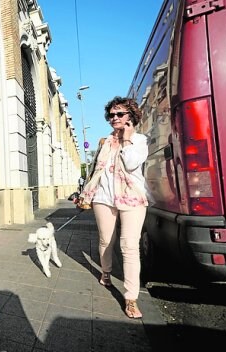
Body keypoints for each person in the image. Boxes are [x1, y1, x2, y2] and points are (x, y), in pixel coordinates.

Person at [78, 96, 149, 319]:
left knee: (129, 246)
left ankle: (130, 298)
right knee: (106, 240)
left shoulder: (140, 140)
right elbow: (96, 172)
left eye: (119, 114)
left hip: (132, 199)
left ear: (131, 116)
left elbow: (131, 164)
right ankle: (106, 272)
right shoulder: (105, 142)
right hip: (103, 198)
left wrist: (127, 140)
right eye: (111, 115)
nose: (114, 118)